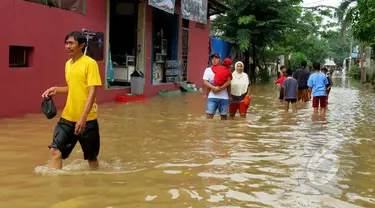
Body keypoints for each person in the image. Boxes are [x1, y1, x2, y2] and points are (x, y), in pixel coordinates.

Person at [41, 31, 102, 170]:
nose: (68, 46)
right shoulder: (68, 64)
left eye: (71, 43)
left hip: (87, 119)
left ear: (81, 45)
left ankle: (96, 186)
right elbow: (74, 88)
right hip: (68, 117)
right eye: (66, 43)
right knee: (55, 150)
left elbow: (92, 91)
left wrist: (83, 117)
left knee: (91, 159)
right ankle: (54, 187)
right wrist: (56, 89)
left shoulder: (90, 63)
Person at [203, 52, 231, 120]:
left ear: (220, 60)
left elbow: (229, 82)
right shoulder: (208, 70)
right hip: (212, 97)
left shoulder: (225, 69)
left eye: (216, 58)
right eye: (212, 59)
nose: (214, 60)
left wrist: (220, 88)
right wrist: (213, 88)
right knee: (209, 117)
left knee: (224, 117)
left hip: (224, 97)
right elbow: (205, 82)